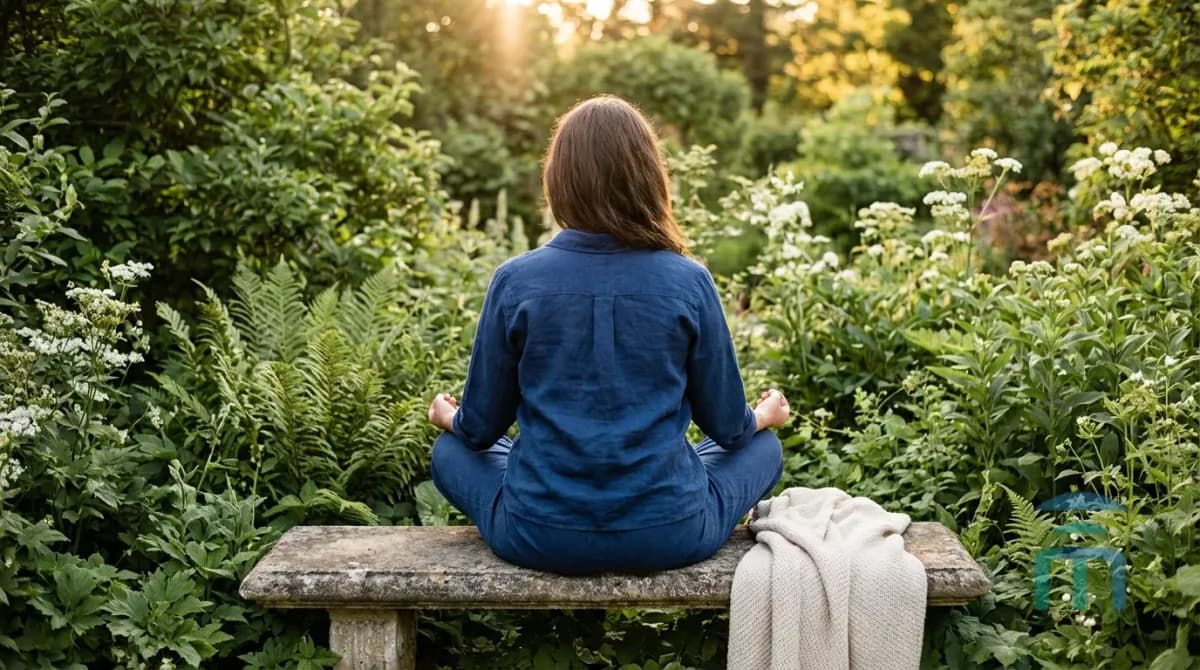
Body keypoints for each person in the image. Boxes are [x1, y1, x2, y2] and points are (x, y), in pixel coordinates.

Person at [427, 95, 789, 575]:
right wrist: (764, 416)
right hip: (671, 532)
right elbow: (729, 429)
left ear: (559, 180)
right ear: (648, 178)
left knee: (449, 450)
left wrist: (447, 418)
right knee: (765, 447)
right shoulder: (689, 280)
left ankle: (546, 494)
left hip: (538, 534)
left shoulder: (515, 281)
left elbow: (477, 433)